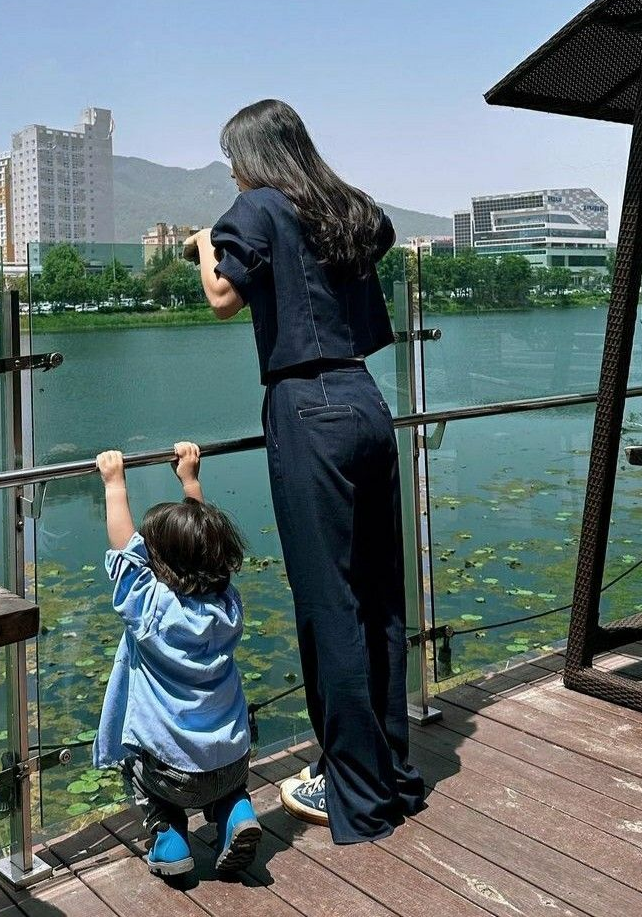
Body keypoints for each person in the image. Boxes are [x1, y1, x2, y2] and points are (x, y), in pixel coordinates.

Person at [184, 98, 426, 845]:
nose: (232, 171)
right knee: (379, 596)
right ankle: (388, 770)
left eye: (234, 158)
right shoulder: (343, 206)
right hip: (365, 400)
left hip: (305, 408)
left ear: (253, 156)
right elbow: (373, 237)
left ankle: (354, 789)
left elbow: (222, 297)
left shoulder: (256, 206)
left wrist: (203, 242)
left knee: (330, 604)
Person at [92, 441, 261, 878]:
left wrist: (114, 483)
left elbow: (124, 553)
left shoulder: (151, 611)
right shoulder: (228, 608)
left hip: (171, 775)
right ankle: (235, 810)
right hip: (232, 763)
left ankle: (168, 837)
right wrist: (190, 480)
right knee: (224, 784)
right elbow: (206, 544)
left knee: (131, 757)